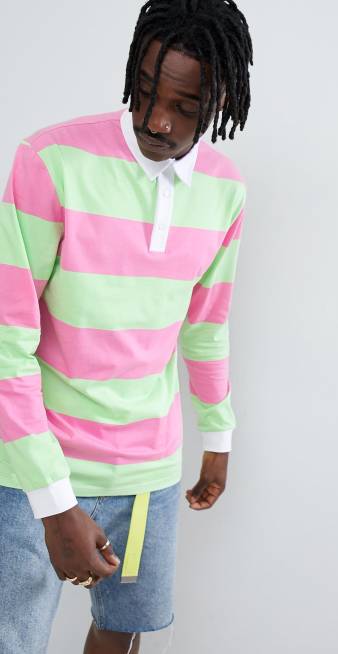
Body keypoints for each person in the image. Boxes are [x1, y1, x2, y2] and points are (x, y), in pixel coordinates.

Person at [0, 0, 253, 652]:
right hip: (31, 466)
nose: (157, 120)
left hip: (148, 471)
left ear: (222, 101)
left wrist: (217, 435)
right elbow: (6, 341)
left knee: (120, 635)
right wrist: (53, 500)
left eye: (186, 106)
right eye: (144, 92)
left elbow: (206, 324)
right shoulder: (51, 159)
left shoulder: (224, 189)